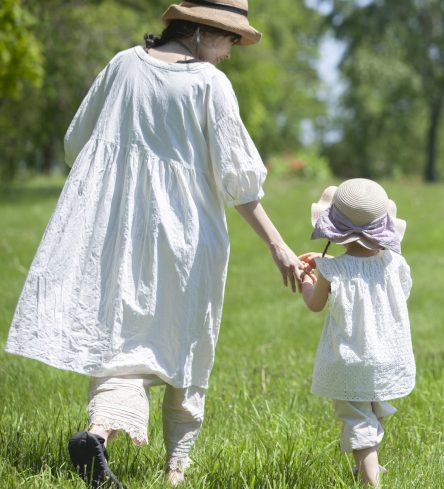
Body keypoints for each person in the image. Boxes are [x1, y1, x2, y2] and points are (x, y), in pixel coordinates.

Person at [4, 1, 303, 487]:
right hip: (188, 237)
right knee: (185, 348)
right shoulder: (210, 84)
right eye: (231, 39)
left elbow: (77, 142)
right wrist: (278, 247)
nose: (231, 53)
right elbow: (239, 180)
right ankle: (174, 472)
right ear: (206, 31)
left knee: (123, 344)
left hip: (118, 232)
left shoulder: (123, 65)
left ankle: (99, 433)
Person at [298, 179, 415, 487]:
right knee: (373, 409)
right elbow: (401, 294)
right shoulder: (395, 264)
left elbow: (314, 304)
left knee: (357, 418)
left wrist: (308, 277)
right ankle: (369, 466)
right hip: (386, 355)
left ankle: (369, 480)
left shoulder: (332, 270)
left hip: (351, 358)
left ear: (334, 228)